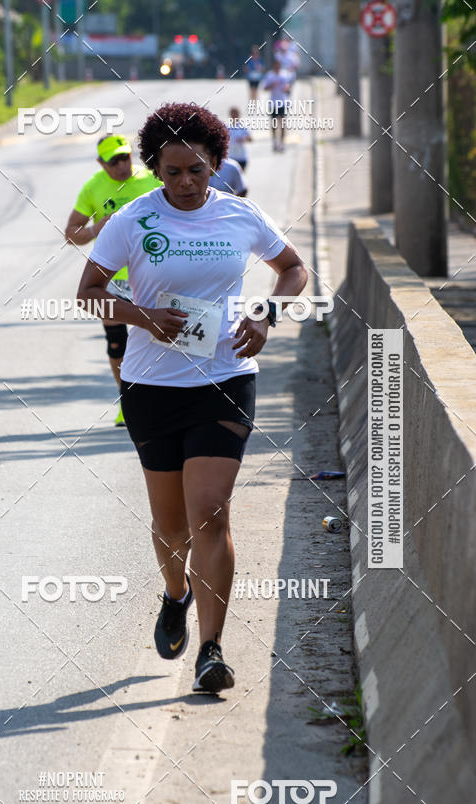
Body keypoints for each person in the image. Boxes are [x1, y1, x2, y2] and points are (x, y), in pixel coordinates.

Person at [77, 103, 308, 693]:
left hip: (225, 378)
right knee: (169, 522)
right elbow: (90, 293)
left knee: (210, 511)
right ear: (155, 167)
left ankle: (211, 649)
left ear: (215, 166)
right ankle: (175, 593)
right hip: (151, 386)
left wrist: (266, 313)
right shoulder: (131, 220)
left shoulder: (240, 214)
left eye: (197, 171)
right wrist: (145, 317)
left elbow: (292, 268)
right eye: (173, 171)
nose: (185, 183)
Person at [65, 134, 162, 425]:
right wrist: (96, 229)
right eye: (114, 161)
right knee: (118, 343)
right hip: (113, 280)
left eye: (125, 157)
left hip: (152, 274)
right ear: (100, 163)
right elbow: (71, 233)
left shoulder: (151, 180)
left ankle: (164, 397)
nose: (122, 165)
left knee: (158, 336)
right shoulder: (93, 188)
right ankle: (128, 402)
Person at [260, 59, 293, 152]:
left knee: (282, 123)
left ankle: (282, 143)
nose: (277, 66)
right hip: (273, 102)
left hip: (283, 102)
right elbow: (265, 88)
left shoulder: (285, 74)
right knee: (274, 124)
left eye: (279, 64)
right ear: (273, 65)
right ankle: (275, 142)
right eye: (276, 65)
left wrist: (286, 88)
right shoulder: (270, 75)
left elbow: (288, 87)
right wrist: (272, 85)